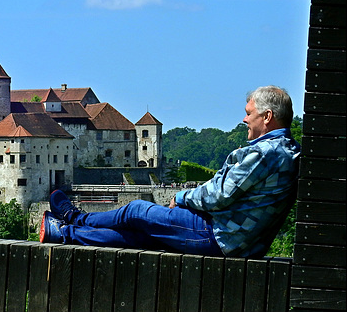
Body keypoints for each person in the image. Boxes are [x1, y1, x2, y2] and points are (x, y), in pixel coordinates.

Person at [40, 85, 301, 258]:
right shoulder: (285, 150)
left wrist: (182, 198)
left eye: (249, 114)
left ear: (267, 117)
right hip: (236, 241)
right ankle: (62, 233)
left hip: (219, 235)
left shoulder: (267, 152)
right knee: (139, 236)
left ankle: (75, 220)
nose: (244, 119)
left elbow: (219, 195)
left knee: (136, 211)